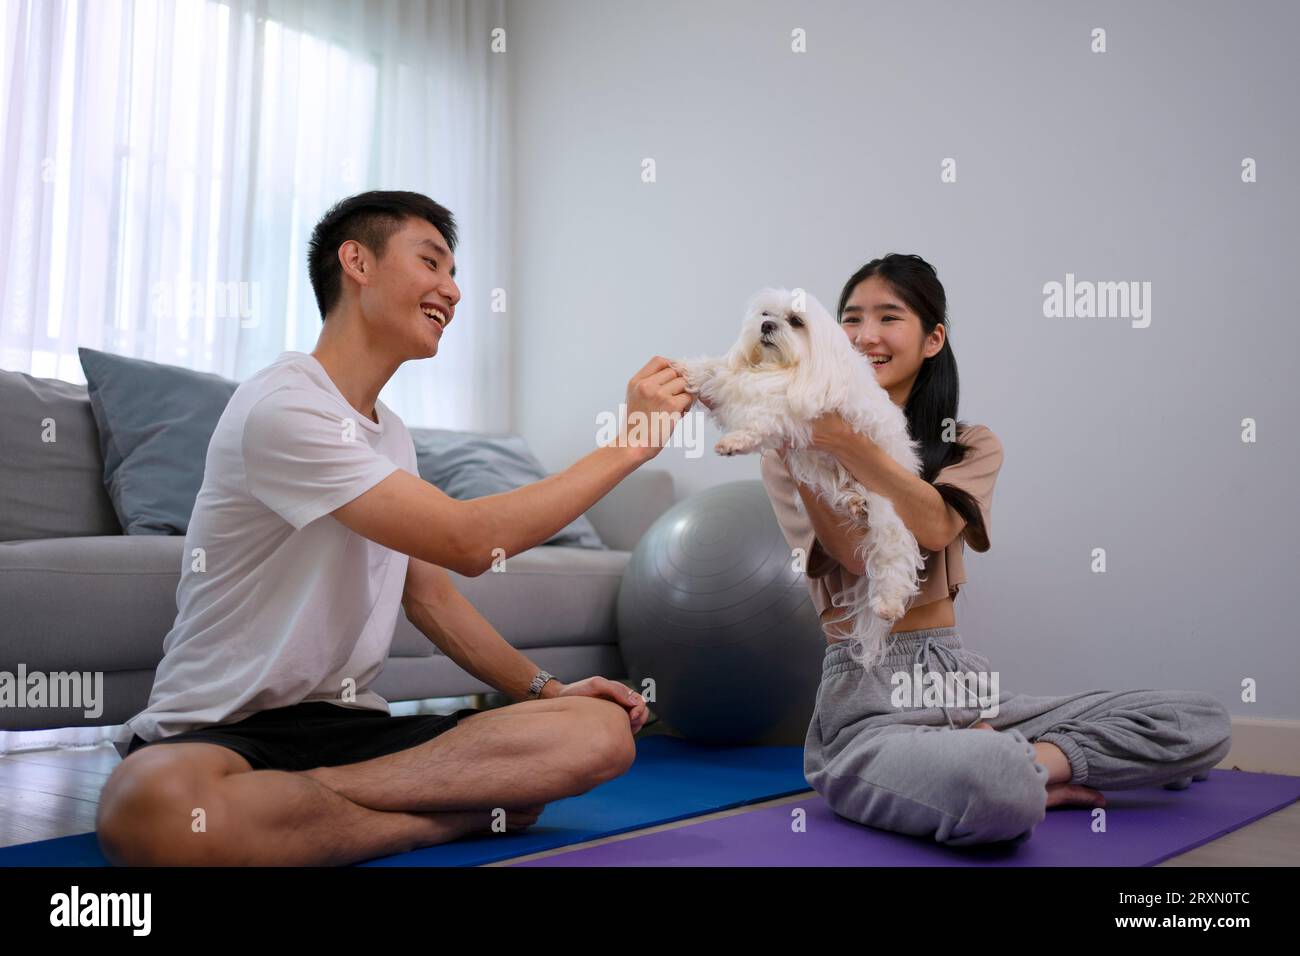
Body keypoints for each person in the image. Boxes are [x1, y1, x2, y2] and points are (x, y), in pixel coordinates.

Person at [95, 190, 695, 866]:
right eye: (432, 262)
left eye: (455, 272)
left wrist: (548, 691)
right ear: (357, 262)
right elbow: (469, 542)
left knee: (600, 734)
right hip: (220, 730)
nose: (454, 290)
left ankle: (302, 800)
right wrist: (630, 443)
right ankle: (439, 821)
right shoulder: (283, 406)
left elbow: (430, 597)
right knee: (149, 814)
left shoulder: (393, 436)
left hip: (349, 728)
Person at [758, 254, 1232, 845]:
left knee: (1200, 720)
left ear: (933, 340)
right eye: (850, 319)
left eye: (889, 317)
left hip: (963, 684)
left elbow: (932, 529)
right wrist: (805, 436)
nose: (865, 336)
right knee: (994, 782)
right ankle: (1012, 770)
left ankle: (1029, 765)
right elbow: (858, 555)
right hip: (869, 698)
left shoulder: (970, 445)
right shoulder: (785, 448)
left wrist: (850, 443)